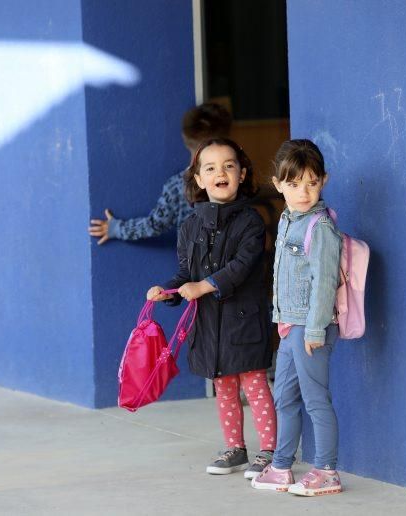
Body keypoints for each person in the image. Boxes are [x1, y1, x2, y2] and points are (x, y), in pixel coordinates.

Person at [146, 138, 277, 479]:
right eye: (210, 168)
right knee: (224, 388)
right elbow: (186, 273)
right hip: (209, 324)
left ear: (242, 174)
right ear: (199, 179)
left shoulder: (250, 221)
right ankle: (235, 448)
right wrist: (169, 291)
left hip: (244, 321)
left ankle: (269, 452)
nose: (221, 172)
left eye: (229, 166)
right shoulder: (190, 226)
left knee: (255, 384)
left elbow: (241, 266)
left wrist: (203, 286)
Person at [251, 139, 343, 496]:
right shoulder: (288, 219)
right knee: (284, 397)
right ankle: (282, 465)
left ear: (324, 180)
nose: (303, 192)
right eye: (293, 184)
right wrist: (281, 321)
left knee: (316, 399)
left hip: (310, 326)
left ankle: (326, 470)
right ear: (277, 184)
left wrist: (315, 329)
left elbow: (323, 283)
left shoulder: (319, 227)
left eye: (311, 183)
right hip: (288, 324)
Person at [88, 103, 232, 244]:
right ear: (226, 142)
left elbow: (154, 226)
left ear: (186, 139)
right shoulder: (236, 180)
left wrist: (116, 229)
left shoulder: (177, 186)